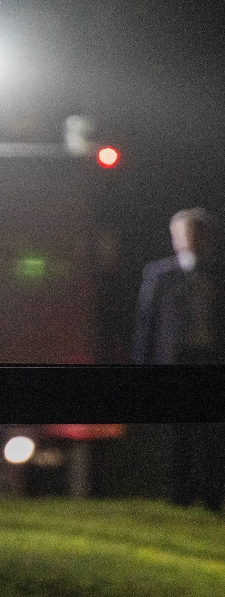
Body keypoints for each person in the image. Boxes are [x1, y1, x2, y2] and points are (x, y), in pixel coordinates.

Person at [131, 207, 225, 509]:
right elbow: (147, 324)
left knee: (212, 429)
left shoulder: (219, 274)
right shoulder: (160, 274)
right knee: (176, 429)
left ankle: (212, 493)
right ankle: (179, 495)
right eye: (185, 234)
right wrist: (141, 367)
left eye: (198, 234)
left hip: (211, 357)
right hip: (175, 360)